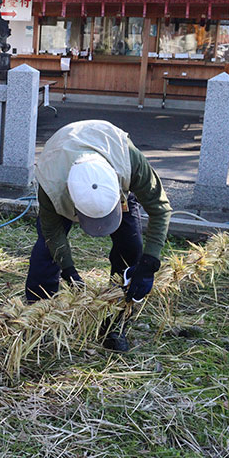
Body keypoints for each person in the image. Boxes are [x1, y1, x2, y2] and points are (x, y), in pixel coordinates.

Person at [25, 120, 172, 352]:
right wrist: (69, 271)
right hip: (63, 167)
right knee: (45, 253)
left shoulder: (129, 162)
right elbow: (53, 233)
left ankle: (116, 322)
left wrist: (149, 261)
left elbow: (160, 207)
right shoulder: (51, 184)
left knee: (131, 248)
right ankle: (38, 319)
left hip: (110, 162)